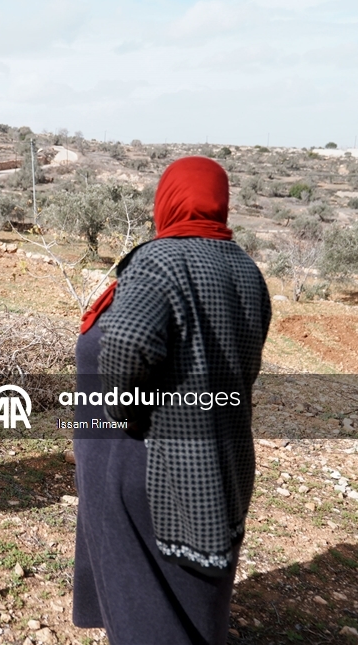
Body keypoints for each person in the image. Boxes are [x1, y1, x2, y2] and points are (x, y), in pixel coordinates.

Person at [71, 156, 271, 644]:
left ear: (168, 200)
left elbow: (128, 343)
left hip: (152, 458)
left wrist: (123, 413)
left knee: (143, 585)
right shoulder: (247, 270)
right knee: (191, 583)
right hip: (223, 454)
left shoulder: (160, 260)